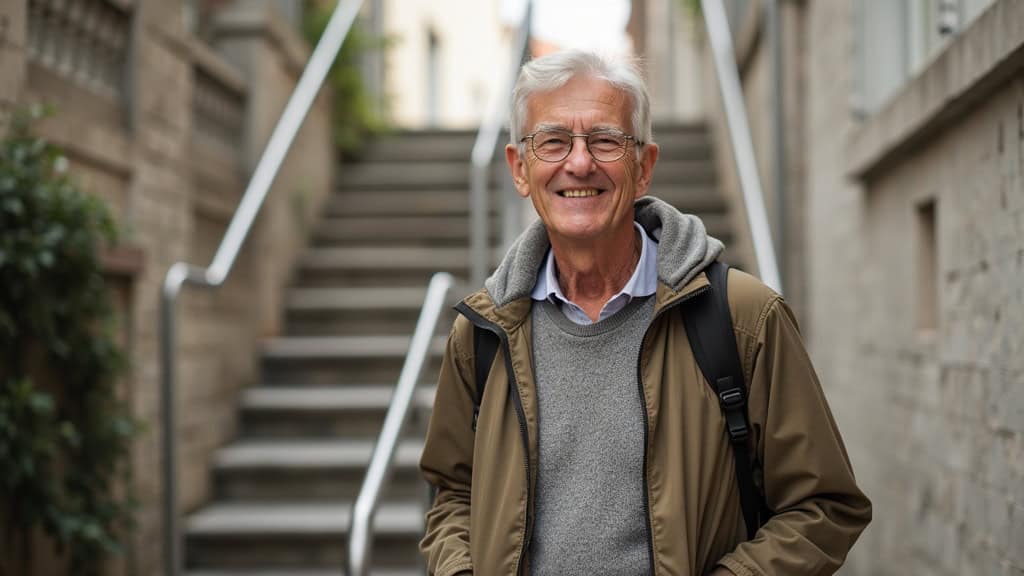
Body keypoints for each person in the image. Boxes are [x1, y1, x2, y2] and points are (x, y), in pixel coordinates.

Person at [419, 50, 871, 576]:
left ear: (644, 167)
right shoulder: (482, 333)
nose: (580, 162)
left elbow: (825, 506)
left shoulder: (745, 318)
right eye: (553, 141)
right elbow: (451, 493)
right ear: (521, 169)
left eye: (606, 140)